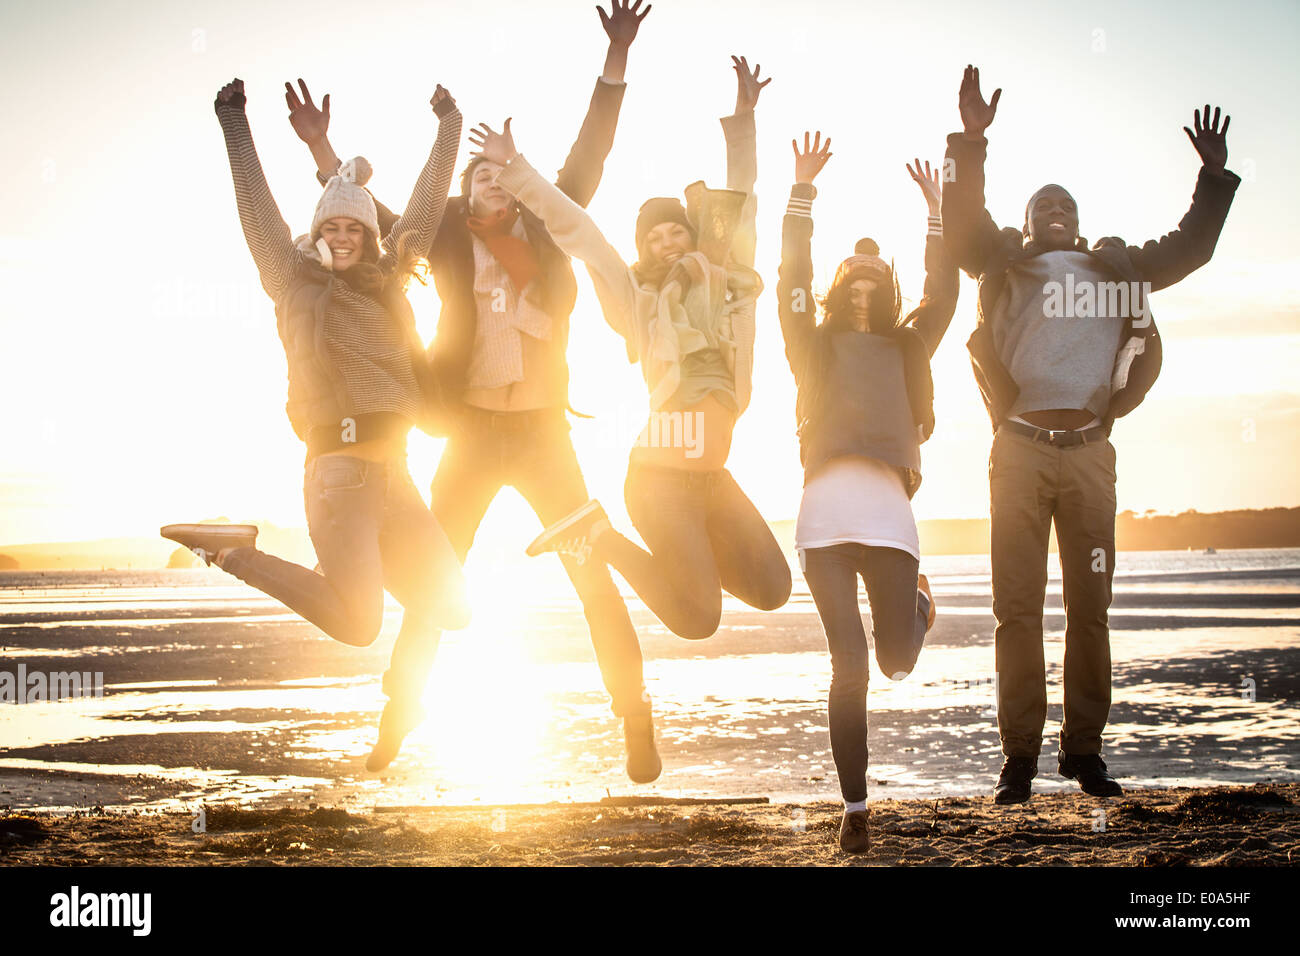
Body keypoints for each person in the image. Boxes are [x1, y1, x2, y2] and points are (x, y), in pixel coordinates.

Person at [283, 1, 662, 780]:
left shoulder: (551, 223)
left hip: (544, 436)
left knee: (589, 573)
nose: (491, 182)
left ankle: (635, 716)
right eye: (478, 173)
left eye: (502, 173)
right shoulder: (449, 232)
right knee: (433, 582)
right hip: (472, 435)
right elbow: (372, 221)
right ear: (465, 188)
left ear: (518, 184)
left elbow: (594, 148)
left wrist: (615, 58)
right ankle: (398, 715)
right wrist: (324, 147)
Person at [943, 65, 1241, 805]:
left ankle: (1082, 752)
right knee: (1015, 610)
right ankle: (1018, 759)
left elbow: (1191, 248)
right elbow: (961, 227)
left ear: (1077, 221)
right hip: (1016, 451)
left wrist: (1213, 179)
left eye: (1064, 204)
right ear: (1028, 217)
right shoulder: (1002, 264)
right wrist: (972, 141)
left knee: (1090, 609)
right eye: (1041, 202)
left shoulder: (1117, 269)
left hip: (1088, 458)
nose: (1053, 210)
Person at [163, 78, 470, 769]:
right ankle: (232, 551)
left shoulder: (393, 279)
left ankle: (362, 566)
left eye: (352, 226)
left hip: (397, 476)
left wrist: (450, 122)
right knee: (360, 623)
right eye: (329, 225)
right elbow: (256, 212)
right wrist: (233, 121)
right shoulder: (292, 280)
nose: (340, 236)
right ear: (317, 232)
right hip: (337, 476)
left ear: (368, 234)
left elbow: (424, 201)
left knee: (454, 608)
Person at [482, 56, 793, 643]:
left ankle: (685, 558)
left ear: (694, 235)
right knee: (697, 618)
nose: (668, 242)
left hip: (711, 477)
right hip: (658, 478)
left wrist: (745, 118)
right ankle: (598, 532)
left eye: (677, 230)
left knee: (775, 589)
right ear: (643, 251)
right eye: (654, 237)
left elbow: (741, 202)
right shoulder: (635, 300)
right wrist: (516, 170)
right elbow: (579, 231)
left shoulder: (727, 281)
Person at [778, 132, 959, 852]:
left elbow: (943, 293)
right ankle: (855, 809)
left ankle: (917, 604)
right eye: (850, 285)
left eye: (873, 287)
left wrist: (936, 213)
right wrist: (801, 192)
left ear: (886, 294)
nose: (861, 294)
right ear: (836, 290)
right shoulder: (811, 345)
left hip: (888, 517)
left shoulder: (909, 344)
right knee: (849, 665)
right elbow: (791, 276)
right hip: (822, 518)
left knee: (897, 661)